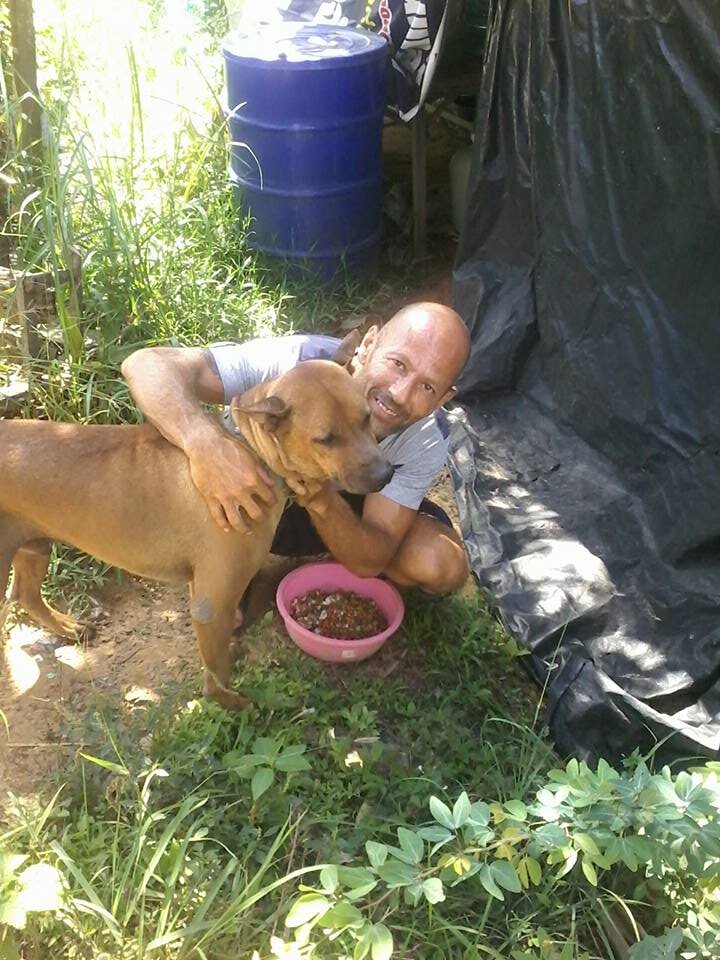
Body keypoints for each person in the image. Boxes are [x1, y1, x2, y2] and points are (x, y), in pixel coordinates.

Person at [121, 301, 471, 601]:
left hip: (351, 501)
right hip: (266, 499)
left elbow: (371, 559)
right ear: (367, 345)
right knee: (219, 471)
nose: (400, 393)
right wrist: (204, 445)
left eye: (427, 386)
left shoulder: (429, 434)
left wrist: (319, 497)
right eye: (398, 363)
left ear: (443, 399)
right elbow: (146, 365)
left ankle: (323, 559)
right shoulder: (298, 366)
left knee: (440, 563)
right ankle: (231, 563)